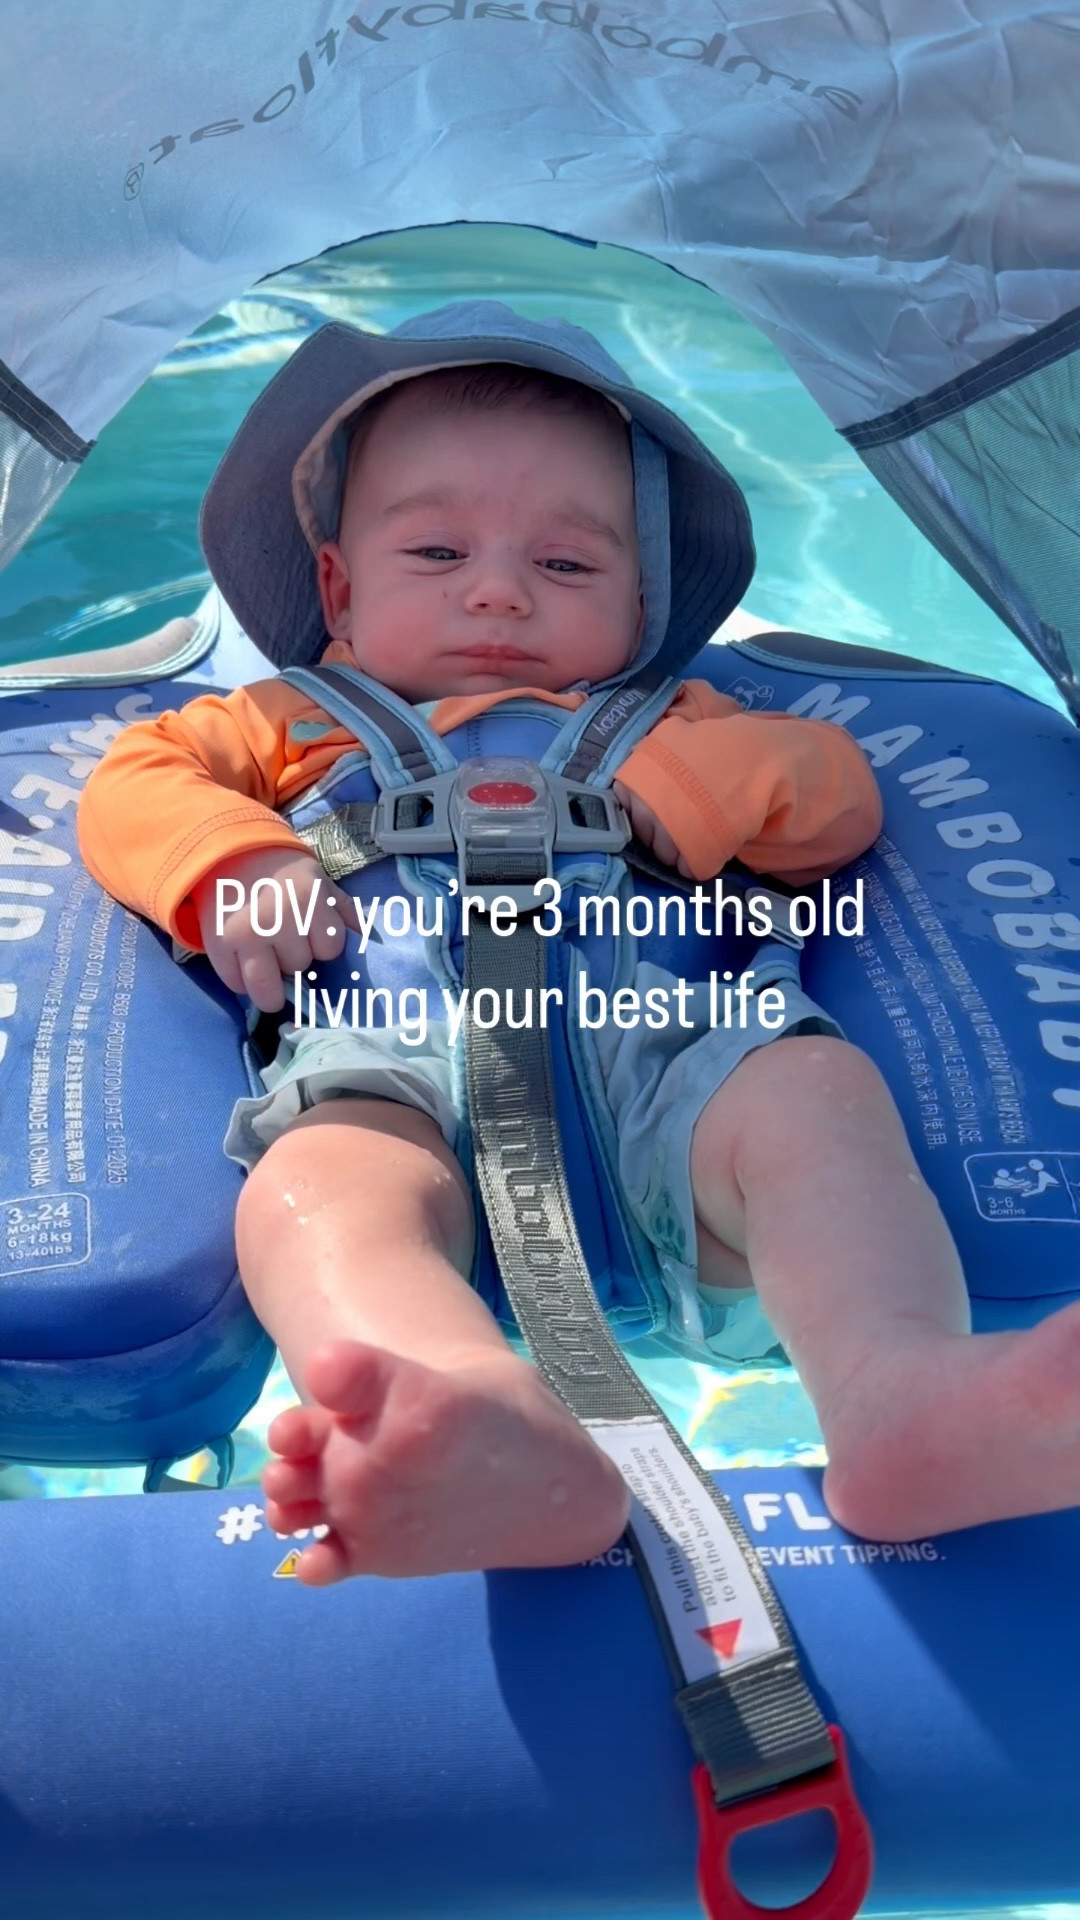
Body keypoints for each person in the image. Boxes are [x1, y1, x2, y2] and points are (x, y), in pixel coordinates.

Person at [78, 303, 1080, 1586]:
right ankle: (476, 1419)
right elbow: (138, 777)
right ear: (338, 586)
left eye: (567, 567)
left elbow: (831, 795)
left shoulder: (679, 714)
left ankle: (898, 1396)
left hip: (674, 1074)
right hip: (400, 1080)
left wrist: (706, 787)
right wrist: (237, 863)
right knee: (317, 1187)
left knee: (814, 1102)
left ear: (639, 601)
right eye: (438, 550)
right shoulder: (287, 719)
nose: (499, 588)